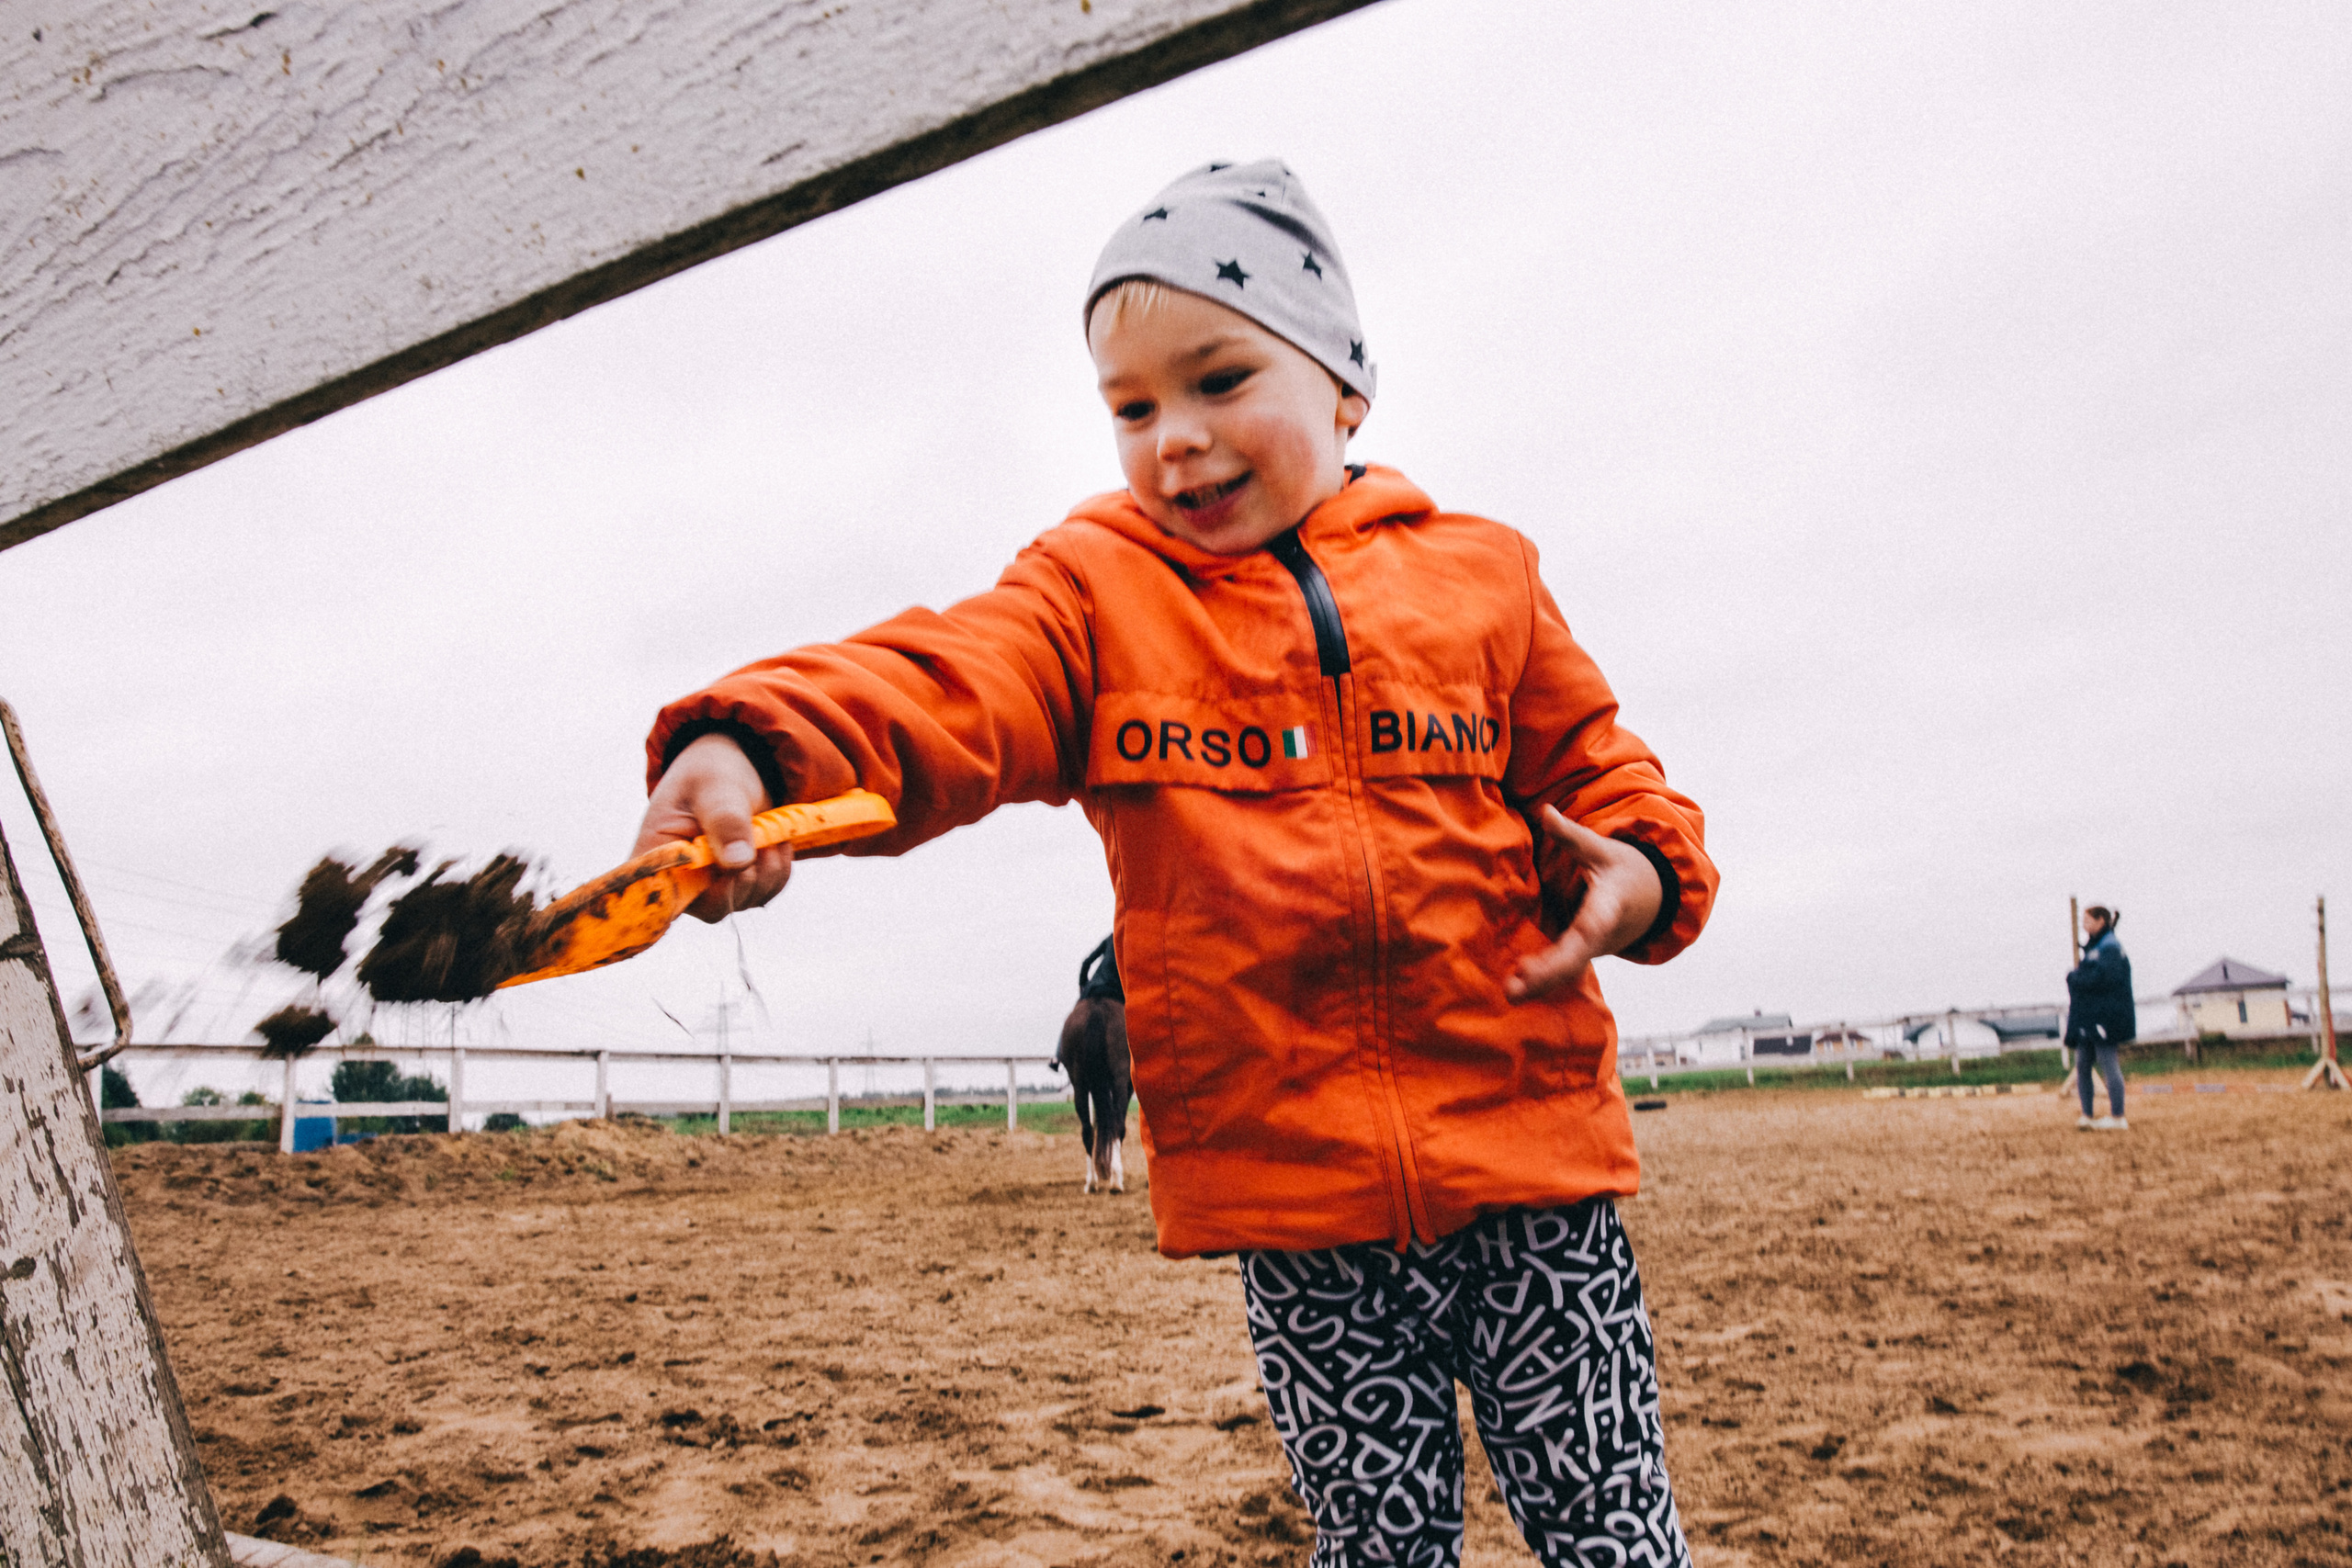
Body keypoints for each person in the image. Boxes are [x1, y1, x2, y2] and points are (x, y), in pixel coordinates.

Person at [629, 161, 1718, 1568]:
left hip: (1534, 1168)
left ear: (1343, 386)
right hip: (1301, 1206)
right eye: (1132, 407)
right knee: (1379, 1544)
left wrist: (1633, 870)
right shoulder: (1096, 591)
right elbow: (957, 680)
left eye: (1216, 379)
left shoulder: (1484, 573)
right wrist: (760, 748)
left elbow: (1604, 769)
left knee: (1613, 1531)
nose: (1174, 440)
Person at [2065, 904, 2133, 1131]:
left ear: (2100, 921)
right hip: (2087, 1016)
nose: (2084, 925)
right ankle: (2087, 1114)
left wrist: (2075, 979)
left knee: (2108, 1062)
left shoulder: (2110, 948)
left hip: (2105, 1016)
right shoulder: (2094, 948)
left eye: (2087, 920)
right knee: (2082, 1064)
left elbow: (2103, 980)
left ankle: (2117, 1117)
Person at [1076, 932, 1124, 1003]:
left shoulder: (1111, 937)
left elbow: (1086, 963)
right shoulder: (1135, 941)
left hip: (1093, 989)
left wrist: (1083, 985)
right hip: (1116, 992)